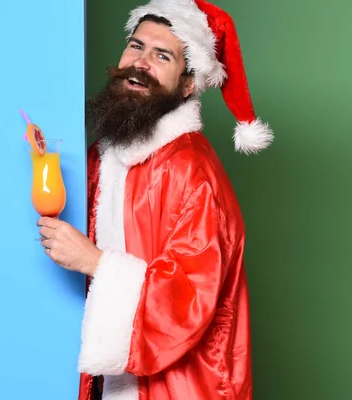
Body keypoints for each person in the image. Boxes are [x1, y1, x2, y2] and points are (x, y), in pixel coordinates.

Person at [37, 0, 274, 398]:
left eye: (162, 55)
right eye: (136, 46)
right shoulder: (107, 154)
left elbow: (189, 298)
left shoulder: (192, 171)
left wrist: (94, 262)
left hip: (183, 386)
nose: (141, 62)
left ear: (187, 84)